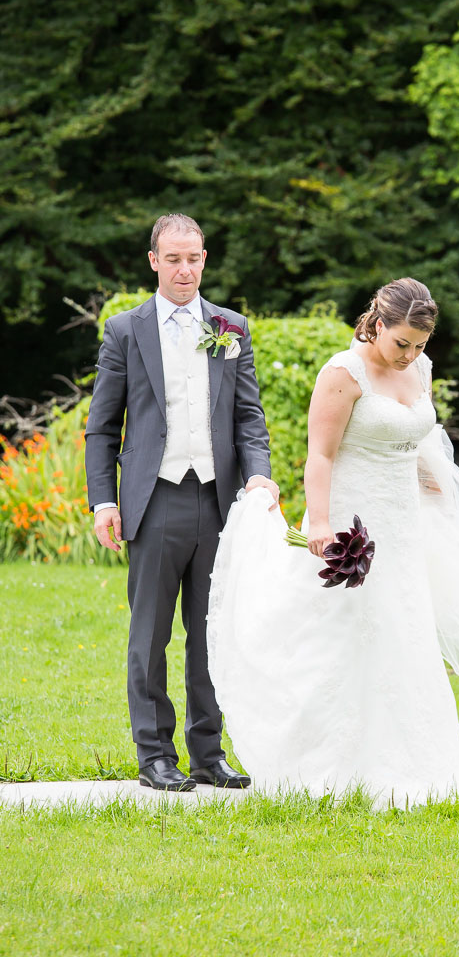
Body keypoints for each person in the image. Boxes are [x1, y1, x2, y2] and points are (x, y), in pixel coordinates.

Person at [206, 278, 459, 806]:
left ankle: (421, 768)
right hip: (354, 520)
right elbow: (320, 456)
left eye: (421, 345)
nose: (409, 355)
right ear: (378, 324)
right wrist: (319, 523)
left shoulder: (421, 369)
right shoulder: (344, 373)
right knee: (352, 634)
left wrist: (435, 488)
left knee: (405, 631)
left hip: (406, 524)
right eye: (401, 343)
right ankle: (331, 765)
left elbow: (419, 440)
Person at [85, 213, 278, 792]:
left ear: (204, 258)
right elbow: (102, 428)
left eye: (194, 258)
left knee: (212, 631)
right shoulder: (125, 330)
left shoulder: (230, 327)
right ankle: (154, 757)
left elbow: (249, 417)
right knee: (149, 635)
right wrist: (103, 503)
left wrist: (260, 477)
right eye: (174, 259)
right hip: (154, 500)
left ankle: (208, 754)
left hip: (219, 503)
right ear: (153, 261)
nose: (185, 270)